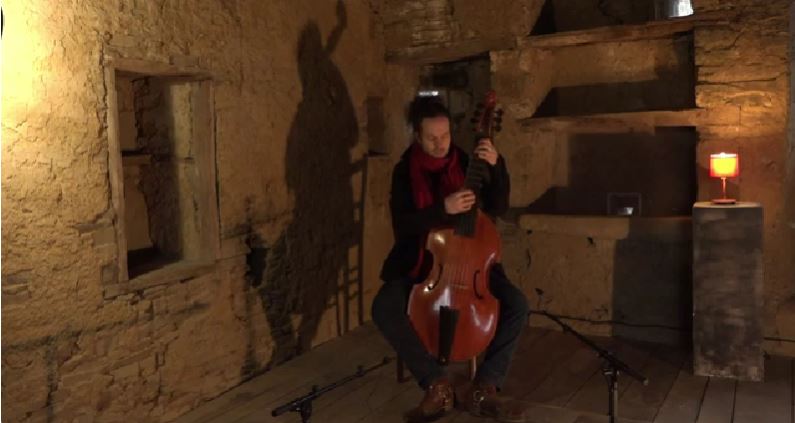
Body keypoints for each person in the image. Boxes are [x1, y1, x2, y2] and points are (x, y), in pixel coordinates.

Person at [371, 96, 529, 422]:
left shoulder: (467, 162)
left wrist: (497, 165)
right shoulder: (405, 172)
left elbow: (498, 207)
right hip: (423, 261)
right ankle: (437, 384)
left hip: (473, 264)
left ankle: (485, 386)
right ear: (417, 135)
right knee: (383, 306)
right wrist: (443, 209)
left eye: (445, 135)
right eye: (431, 137)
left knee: (517, 304)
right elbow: (404, 225)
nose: (440, 143)